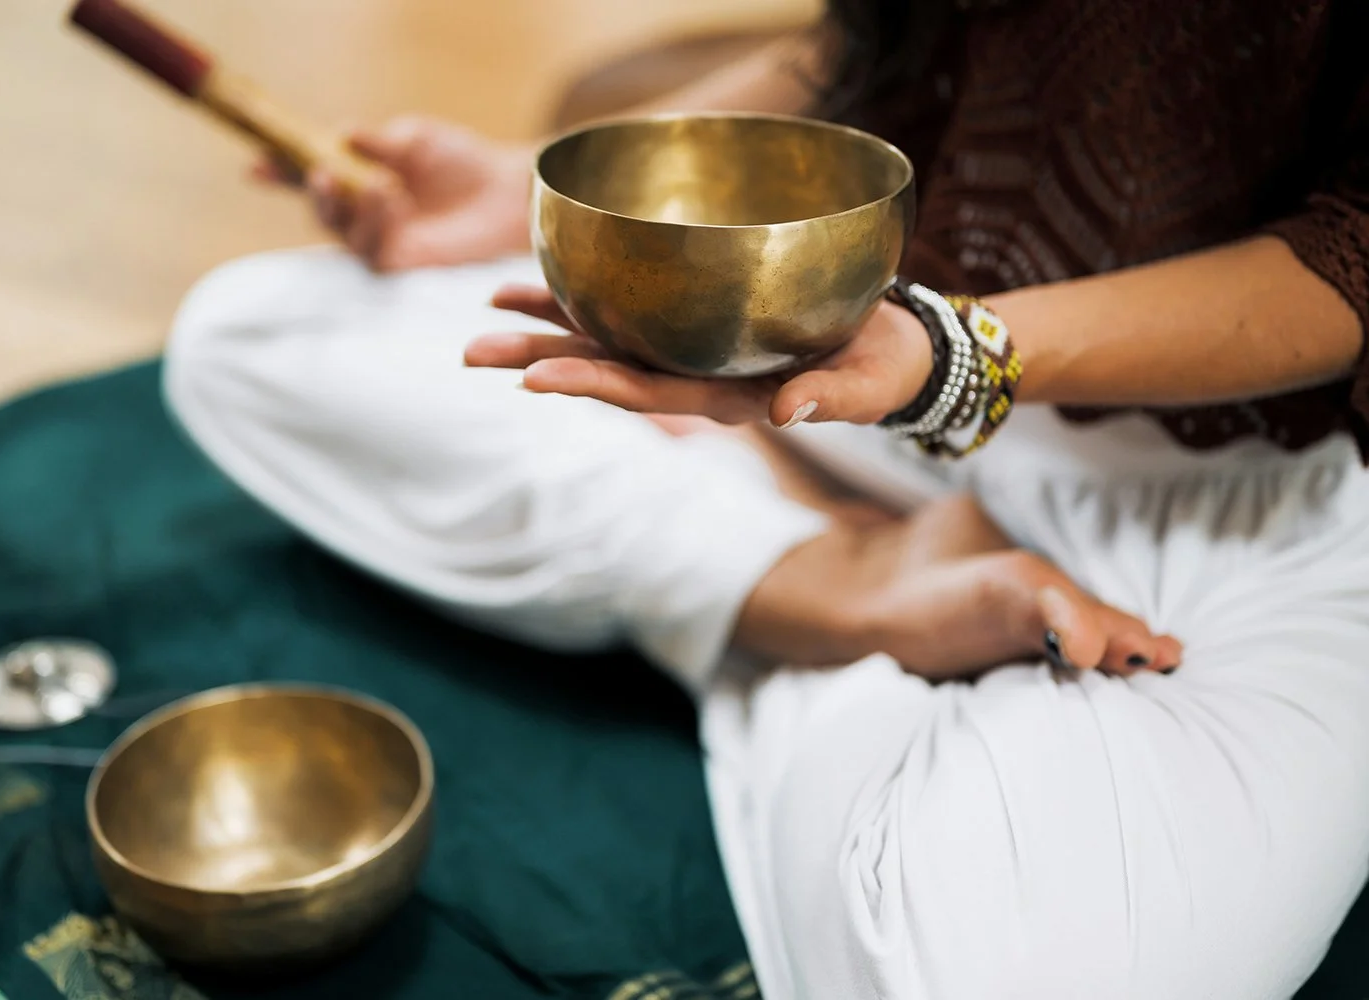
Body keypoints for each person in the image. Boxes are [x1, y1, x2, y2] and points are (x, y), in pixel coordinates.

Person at [165, 1, 1369, 997]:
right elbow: (867, 43)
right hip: (866, 353)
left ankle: (762, 582)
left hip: (1251, 489)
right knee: (249, 336)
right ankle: (828, 585)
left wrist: (958, 356)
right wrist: (556, 210)